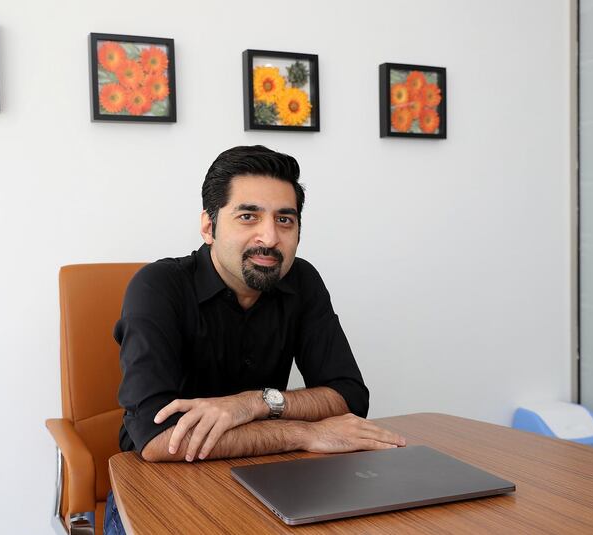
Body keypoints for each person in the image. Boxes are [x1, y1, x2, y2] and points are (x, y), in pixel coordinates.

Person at [104, 145, 405, 534]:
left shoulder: (303, 281)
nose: (270, 236)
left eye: (285, 220)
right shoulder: (157, 287)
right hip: (159, 486)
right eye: (248, 216)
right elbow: (159, 438)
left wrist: (252, 404)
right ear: (209, 226)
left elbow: (350, 396)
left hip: (273, 481)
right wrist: (306, 432)